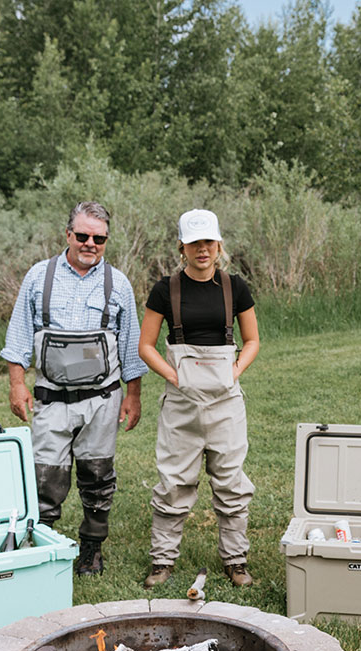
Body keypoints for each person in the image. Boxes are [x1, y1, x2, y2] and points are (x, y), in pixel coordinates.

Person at [1, 200, 147, 576]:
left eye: (99, 238)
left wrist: (134, 395)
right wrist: (18, 385)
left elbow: (132, 345)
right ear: (68, 235)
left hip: (103, 399)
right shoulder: (38, 277)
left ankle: (91, 549)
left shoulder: (119, 284)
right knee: (45, 477)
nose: (90, 244)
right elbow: (18, 337)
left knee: (98, 476)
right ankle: (41, 544)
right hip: (51, 399)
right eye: (82, 235)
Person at [137, 208, 261, 589]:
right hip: (181, 404)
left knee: (231, 481)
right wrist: (175, 376)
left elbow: (253, 340)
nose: (202, 249)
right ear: (182, 247)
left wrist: (234, 371)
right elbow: (146, 346)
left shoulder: (234, 287)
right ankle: (162, 560)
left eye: (208, 242)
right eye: (194, 243)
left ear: (218, 244)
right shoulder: (165, 289)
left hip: (226, 402)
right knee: (173, 482)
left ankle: (236, 561)